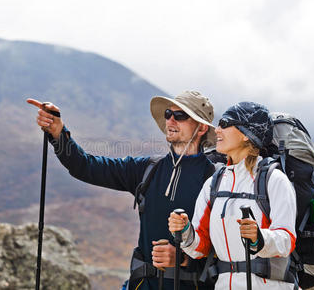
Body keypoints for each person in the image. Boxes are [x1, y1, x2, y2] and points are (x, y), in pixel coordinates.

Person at [27, 91, 218, 290]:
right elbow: (85, 166)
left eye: (180, 116)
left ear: (202, 127)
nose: (170, 120)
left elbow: (225, 245)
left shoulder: (215, 179)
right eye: (168, 113)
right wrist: (58, 133)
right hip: (142, 285)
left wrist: (184, 259)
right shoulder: (147, 169)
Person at [168, 102, 297, 290]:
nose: (217, 130)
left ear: (246, 134)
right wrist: (184, 231)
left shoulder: (274, 180)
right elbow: (200, 247)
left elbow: (287, 240)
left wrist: (259, 238)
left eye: (225, 123)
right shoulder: (214, 182)